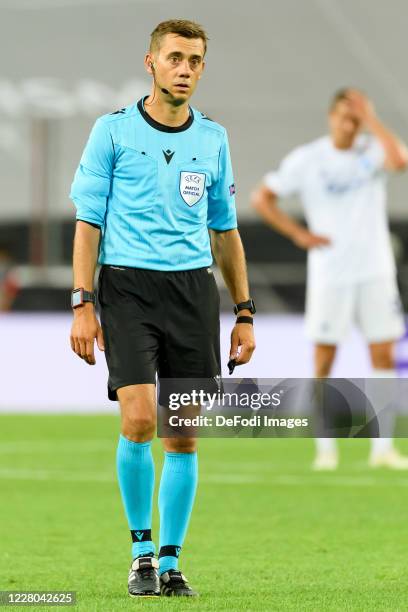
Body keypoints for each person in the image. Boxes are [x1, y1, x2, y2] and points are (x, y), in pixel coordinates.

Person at [69, 19, 256, 598]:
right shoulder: (113, 131)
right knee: (141, 420)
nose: (186, 69)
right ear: (150, 63)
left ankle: (171, 564)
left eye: (195, 61)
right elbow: (88, 223)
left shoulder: (214, 139)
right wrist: (83, 302)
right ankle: (141, 555)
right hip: (126, 288)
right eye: (175, 58)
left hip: (192, 292)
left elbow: (224, 232)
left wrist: (244, 312)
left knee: (182, 435)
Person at [251, 88, 408, 470]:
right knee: (324, 360)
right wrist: (297, 234)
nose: (349, 122)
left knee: (383, 355)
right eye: (344, 115)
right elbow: (262, 198)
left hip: (375, 270)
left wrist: (372, 118)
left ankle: (383, 448)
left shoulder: (372, 151)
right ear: (331, 117)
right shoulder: (309, 159)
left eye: (356, 116)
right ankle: (325, 449)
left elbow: (400, 161)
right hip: (331, 274)